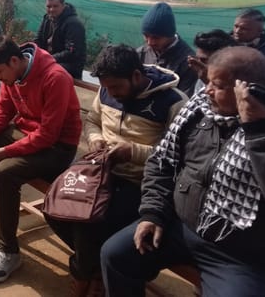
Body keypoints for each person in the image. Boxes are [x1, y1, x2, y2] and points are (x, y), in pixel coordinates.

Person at [100, 46, 265, 297]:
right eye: (208, 81)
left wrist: (258, 131)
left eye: (218, 85)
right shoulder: (198, 111)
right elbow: (162, 162)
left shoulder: (263, 132)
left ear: (249, 89)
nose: (207, 90)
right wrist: (153, 213)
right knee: (115, 256)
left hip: (235, 253)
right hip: (179, 227)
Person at [45, 44, 187, 296]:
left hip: (141, 183)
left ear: (136, 75)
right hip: (101, 171)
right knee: (55, 206)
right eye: (106, 88)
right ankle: (95, 268)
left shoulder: (173, 102)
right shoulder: (107, 89)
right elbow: (92, 120)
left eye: (116, 87)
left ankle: (83, 271)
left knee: (88, 221)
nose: (111, 93)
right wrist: (96, 138)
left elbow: (179, 156)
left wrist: (133, 151)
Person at [0, 35, 82, 283]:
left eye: (0, 73)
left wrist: (3, 152)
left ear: (14, 61)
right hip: (27, 133)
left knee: (5, 171)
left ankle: (9, 250)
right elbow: (4, 109)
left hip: (57, 147)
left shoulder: (55, 77)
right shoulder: (11, 75)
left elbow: (48, 135)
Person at [137, 2, 197, 97]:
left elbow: (185, 99)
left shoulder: (188, 62)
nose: (150, 42)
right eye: (146, 36)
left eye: (156, 37)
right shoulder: (140, 54)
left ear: (170, 35)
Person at [35, 0, 87, 79]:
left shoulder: (73, 24)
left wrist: (48, 59)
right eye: (48, 6)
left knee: (42, 70)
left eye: (55, 6)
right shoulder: (47, 18)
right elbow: (38, 40)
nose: (51, 9)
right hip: (51, 60)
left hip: (70, 65)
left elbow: (71, 52)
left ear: (63, 5)